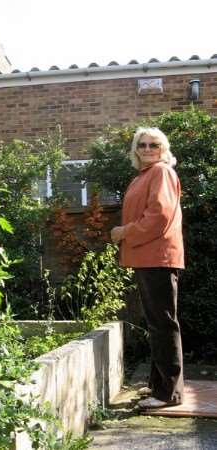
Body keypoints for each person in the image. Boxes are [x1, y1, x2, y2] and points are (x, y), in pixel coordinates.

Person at [111, 127, 184, 409]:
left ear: (163, 148)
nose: (147, 148)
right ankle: (159, 386)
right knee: (157, 323)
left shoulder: (161, 172)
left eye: (154, 144)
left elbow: (159, 215)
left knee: (163, 324)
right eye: (141, 144)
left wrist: (125, 232)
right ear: (135, 149)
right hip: (148, 257)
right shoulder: (144, 175)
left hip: (158, 257)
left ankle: (168, 394)